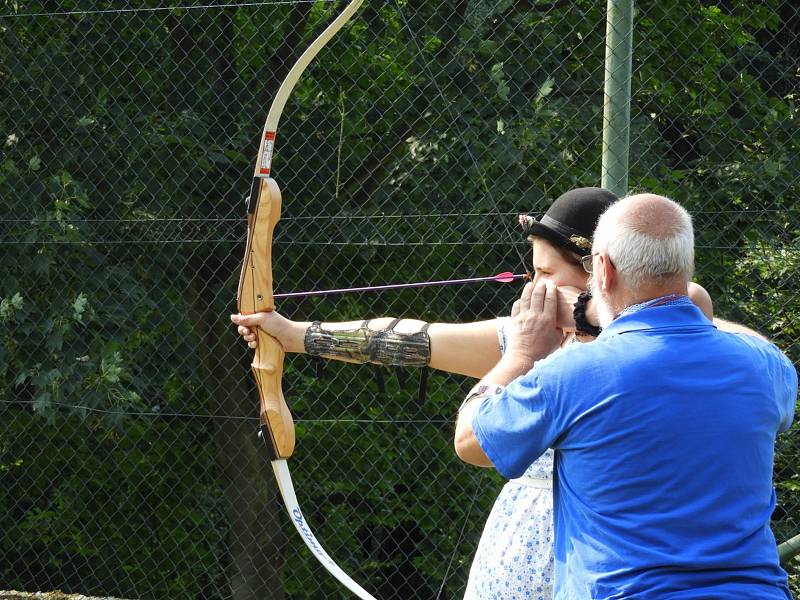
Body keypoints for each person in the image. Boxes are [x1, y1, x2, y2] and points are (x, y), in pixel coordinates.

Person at [230, 188, 712, 599]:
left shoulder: (658, 339)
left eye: (546, 275)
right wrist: (292, 335)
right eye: (532, 273)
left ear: (598, 269)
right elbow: (409, 340)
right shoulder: (531, 338)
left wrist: (587, 314)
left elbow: (692, 299)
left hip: (607, 546)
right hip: (522, 543)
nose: (534, 287)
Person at [454, 193, 797, 599]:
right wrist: (600, 314)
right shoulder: (767, 366)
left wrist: (522, 354)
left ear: (601, 268)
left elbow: (472, 440)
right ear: (685, 268)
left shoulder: (574, 375)